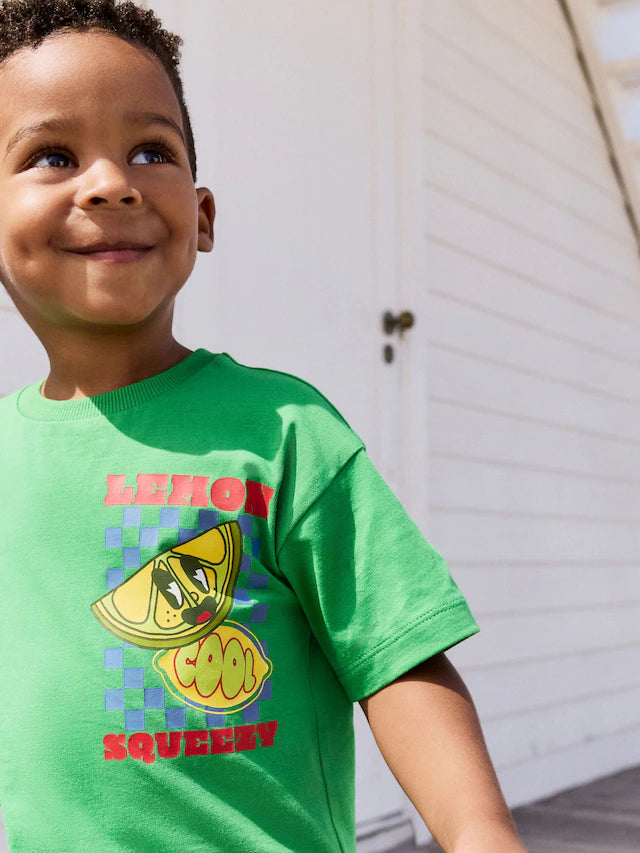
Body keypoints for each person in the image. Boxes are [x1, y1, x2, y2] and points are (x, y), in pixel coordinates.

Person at [0, 1, 526, 850]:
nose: (112, 182)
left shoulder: (285, 431)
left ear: (202, 217)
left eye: (151, 150)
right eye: (53, 155)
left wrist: (479, 831)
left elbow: (395, 656)